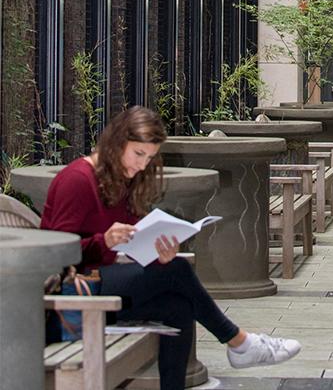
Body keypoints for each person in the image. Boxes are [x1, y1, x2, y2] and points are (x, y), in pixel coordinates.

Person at [41, 106, 301, 389]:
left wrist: (156, 254)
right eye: (138, 154)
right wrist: (104, 241)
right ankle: (238, 341)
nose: (141, 165)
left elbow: (130, 245)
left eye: (149, 158)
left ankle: (235, 348)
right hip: (70, 300)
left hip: (100, 290)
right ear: (116, 142)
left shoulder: (122, 181)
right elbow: (52, 254)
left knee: (177, 306)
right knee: (177, 270)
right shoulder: (77, 180)